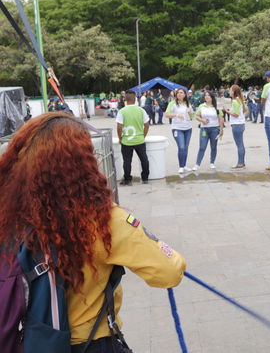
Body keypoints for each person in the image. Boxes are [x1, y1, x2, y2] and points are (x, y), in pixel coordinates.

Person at [0, 112, 186, 352]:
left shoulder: (8, 212)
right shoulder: (104, 220)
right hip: (92, 342)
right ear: (82, 163)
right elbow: (168, 273)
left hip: (31, 340)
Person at [116, 91, 150, 186]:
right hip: (139, 139)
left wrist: (120, 138)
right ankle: (145, 178)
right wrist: (143, 135)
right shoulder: (141, 110)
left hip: (127, 141)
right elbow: (147, 125)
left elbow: (119, 127)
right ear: (135, 99)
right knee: (144, 159)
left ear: (125, 100)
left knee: (127, 161)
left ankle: (127, 180)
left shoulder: (122, 111)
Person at [165, 88, 194, 173]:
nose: (179, 94)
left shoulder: (188, 104)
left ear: (185, 94)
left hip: (188, 128)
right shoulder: (172, 103)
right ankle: (181, 166)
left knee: (185, 147)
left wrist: (191, 113)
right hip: (177, 128)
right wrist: (177, 115)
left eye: (181, 93)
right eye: (178, 93)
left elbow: (192, 117)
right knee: (181, 147)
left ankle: (184, 165)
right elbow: (166, 115)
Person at [193, 92, 223, 171]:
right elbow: (196, 116)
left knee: (213, 147)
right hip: (204, 129)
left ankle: (212, 162)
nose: (206, 97)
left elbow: (221, 118)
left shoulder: (216, 106)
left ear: (212, 97)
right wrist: (202, 120)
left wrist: (221, 129)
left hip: (214, 129)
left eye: (208, 95)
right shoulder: (201, 106)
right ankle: (197, 164)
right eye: (205, 95)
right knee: (202, 147)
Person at [224, 84, 247, 169]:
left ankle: (240, 163)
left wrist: (227, 111)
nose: (229, 92)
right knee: (241, 143)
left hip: (237, 124)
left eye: (230, 90)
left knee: (239, 144)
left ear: (234, 92)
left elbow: (236, 114)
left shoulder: (235, 101)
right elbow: (245, 110)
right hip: (241, 124)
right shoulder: (240, 100)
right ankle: (242, 162)